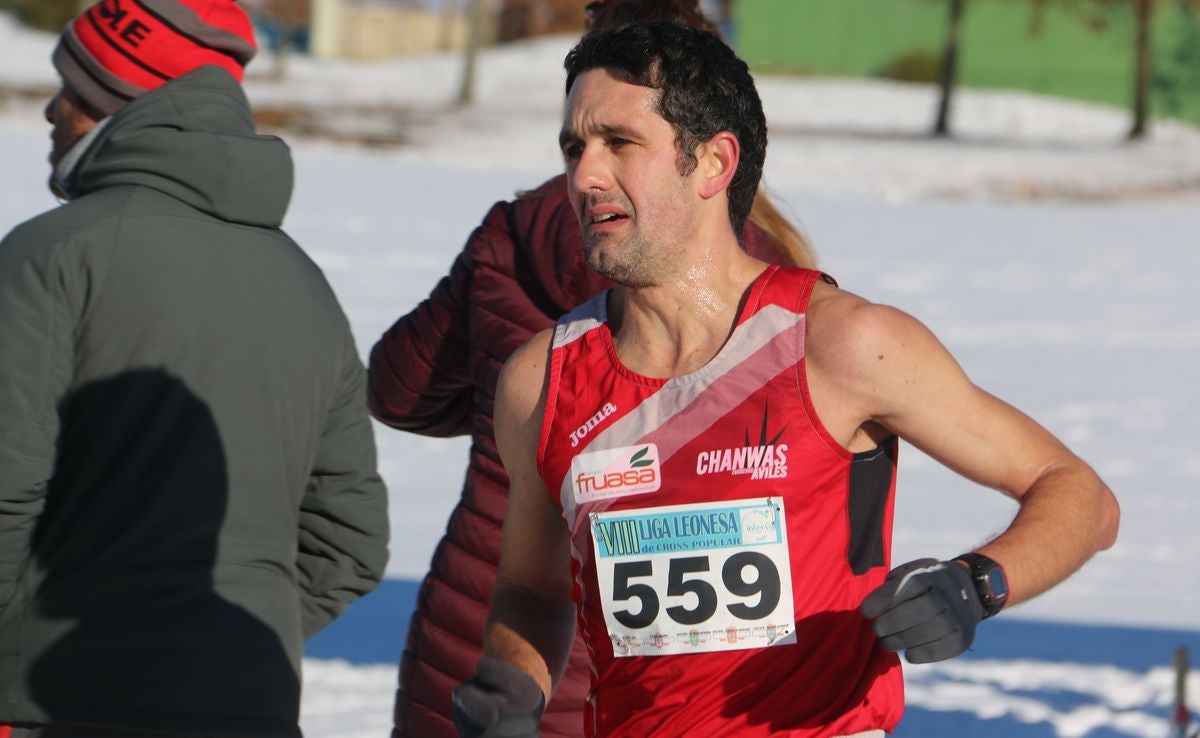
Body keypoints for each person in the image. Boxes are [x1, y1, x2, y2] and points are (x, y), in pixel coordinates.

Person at [451, 20, 1120, 738]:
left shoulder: (841, 345)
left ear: (712, 163)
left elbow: (1079, 494)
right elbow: (530, 586)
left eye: (619, 143)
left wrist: (975, 584)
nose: (584, 176)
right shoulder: (542, 382)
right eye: (574, 147)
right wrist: (510, 686)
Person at [366, 2, 812, 737]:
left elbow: (400, 388)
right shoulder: (762, 272)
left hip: (482, 660)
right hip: (642, 675)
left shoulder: (511, 233)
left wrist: (496, 411)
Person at [0, 1, 389, 736]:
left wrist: (34, 650)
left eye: (78, 88)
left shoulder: (49, 256)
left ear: (129, 103)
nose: (54, 107)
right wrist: (223, 650)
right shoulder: (307, 285)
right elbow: (351, 540)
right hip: (248, 706)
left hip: (56, 707)